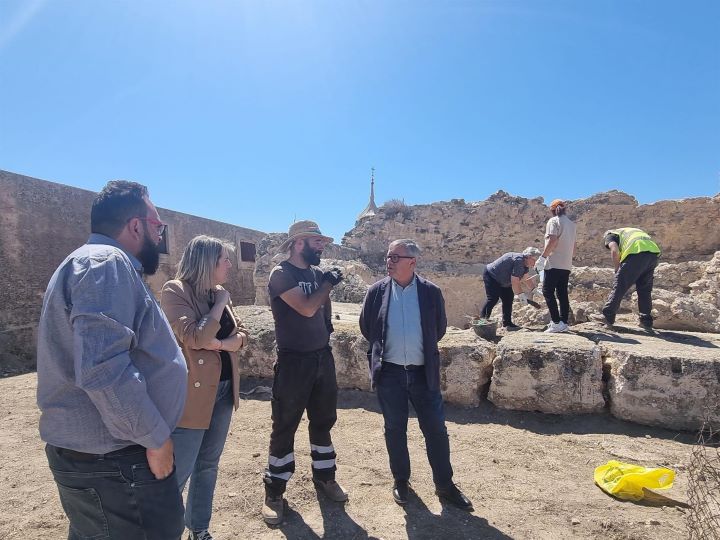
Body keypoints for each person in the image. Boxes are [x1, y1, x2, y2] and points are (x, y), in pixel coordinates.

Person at [37, 180, 188, 540]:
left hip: (106, 463)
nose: (160, 234)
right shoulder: (106, 263)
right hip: (119, 464)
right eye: (158, 226)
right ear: (136, 226)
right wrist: (155, 439)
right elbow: (104, 369)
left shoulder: (91, 263)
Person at [360, 239, 473, 511]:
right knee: (395, 429)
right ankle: (401, 480)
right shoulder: (376, 292)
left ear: (412, 261)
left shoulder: (431, 292)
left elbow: (440, 328)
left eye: (395, 257)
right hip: (390, 374)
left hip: (424, 374)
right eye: (387, 256)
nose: (389, 261)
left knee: (436, 430)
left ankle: (445, 486)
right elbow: (367, 326)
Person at [160, 236, 249, 540]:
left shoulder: (218, 293)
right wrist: (220, 305)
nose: (229, 265)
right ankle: (165, 532)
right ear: (207, 262)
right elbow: (194, 339)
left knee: (208, 465)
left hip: (223, 391)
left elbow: (238, 336)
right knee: (179, 472)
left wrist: (225, 343)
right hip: (192, 397)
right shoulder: (176, 291)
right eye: (224, 259)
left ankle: (199, 529)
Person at [262, 220, 347, 525]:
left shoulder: (314, 273)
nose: (322, 246)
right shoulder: (281, 274)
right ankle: (274, 492)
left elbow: (323, 311)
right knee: (285, 425)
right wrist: (327, 284)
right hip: (294, 362)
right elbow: (308, 307)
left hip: (321, 358)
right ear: (299, 244)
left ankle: (325, 478)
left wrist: (326, 335)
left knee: (324, 421)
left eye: (322, 242)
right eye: (316, 242)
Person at [601, 228, 661, 330]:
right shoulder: (631, 231)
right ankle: (646, 320)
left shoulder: (610, 234)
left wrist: (617, 269)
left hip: (636, 253)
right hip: (653, 254)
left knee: (620, 285)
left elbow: (614, 250)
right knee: (644, 289)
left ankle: (608, 317)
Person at [535, 199, 577, 333]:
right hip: (566, 264)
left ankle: (556, 322)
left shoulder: (553, 221)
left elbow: (552, 240)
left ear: (552, 210)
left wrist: (542, 258)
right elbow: (573, 246)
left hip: (554, 263)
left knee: (547, 291)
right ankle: (564, 322)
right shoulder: (571, 224)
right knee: (562, 293)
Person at [480, 247, 541, 330]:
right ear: (528, 257)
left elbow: (526, 278)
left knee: (508, 299)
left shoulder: (525, 264)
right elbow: (515, 281)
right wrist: (521, 295)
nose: (535, 262)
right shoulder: (518, 261)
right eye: (534, 259)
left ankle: (507, 324)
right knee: (493, 298)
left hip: (504, 280)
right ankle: (482, 322)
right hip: (492, 276)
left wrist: (534, 290)